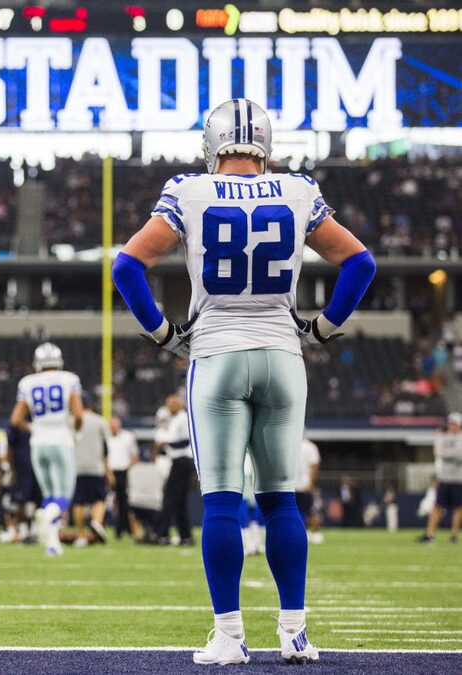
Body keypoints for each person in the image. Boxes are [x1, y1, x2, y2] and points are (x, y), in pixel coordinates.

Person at [113, 98, 376, 665]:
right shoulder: (299, 190)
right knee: (282, 503)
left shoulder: (188, 190)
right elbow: (361, 263)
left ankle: (230, 638)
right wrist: (324, 329)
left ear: (211, 145)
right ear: (266, 143)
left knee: (223, 505)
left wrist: (163, 334)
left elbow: (127, 266)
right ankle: (295, 632)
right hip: (284, 352)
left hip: (217, 352)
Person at [10, 342, 83, 557]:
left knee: (49, 494)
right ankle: (46, 516)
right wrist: (76, 431)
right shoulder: (69, 379)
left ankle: (52, 544)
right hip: (61, 439)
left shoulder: (28, 382)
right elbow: (78, 415)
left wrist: (32, 427)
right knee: (64, 497)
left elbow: (15, 420)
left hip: (38, 442)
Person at [71, 394, 112, 547]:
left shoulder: (71, 420)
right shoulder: (100, 421)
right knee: (99, 499)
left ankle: (81, 535)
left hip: (77, 466)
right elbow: (105, 448)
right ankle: (96, 522)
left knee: (78, 501)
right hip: (96, 467)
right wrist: (108, 470)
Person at [157, 394, 195, 546]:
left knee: (169, 498)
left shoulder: (183, 418)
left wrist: (166, 444)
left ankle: (162, 534)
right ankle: (186, 536)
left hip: (183, 461)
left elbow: (186, 441)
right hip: (177, 460)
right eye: (168, 403)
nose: (169, 406)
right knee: (179, 501)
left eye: (172, 403)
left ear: (179, 404)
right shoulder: (171, 419)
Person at [420, 412, 462, 543]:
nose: (452, 426)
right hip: (444, 478)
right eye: (450, 423)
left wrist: (447, 452)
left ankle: (454, 535)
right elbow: (439, 453)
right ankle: (430, 534)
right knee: (437, 506)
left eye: (454, 423)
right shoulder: (443, 437)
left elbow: (458, 455)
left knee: (459, 507)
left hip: (459, 479)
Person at [108, 417, 138, 539]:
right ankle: (123, 528)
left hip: (124, 471)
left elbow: (134, 456)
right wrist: (108, 474)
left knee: (124, 502)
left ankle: (123, 529)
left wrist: (130, 473)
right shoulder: (106, 437)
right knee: (113, 502)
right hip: (109, 471)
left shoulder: (128, 437)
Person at [296, 433, 323, 544]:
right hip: (300, 484)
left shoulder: (308, 446)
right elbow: (314, 465)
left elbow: (314, 466)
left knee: (310, 510)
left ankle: (315, 532)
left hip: (299, 484)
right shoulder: (310, 447)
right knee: (305, 510)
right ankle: (304, 532)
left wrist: (310, 483)